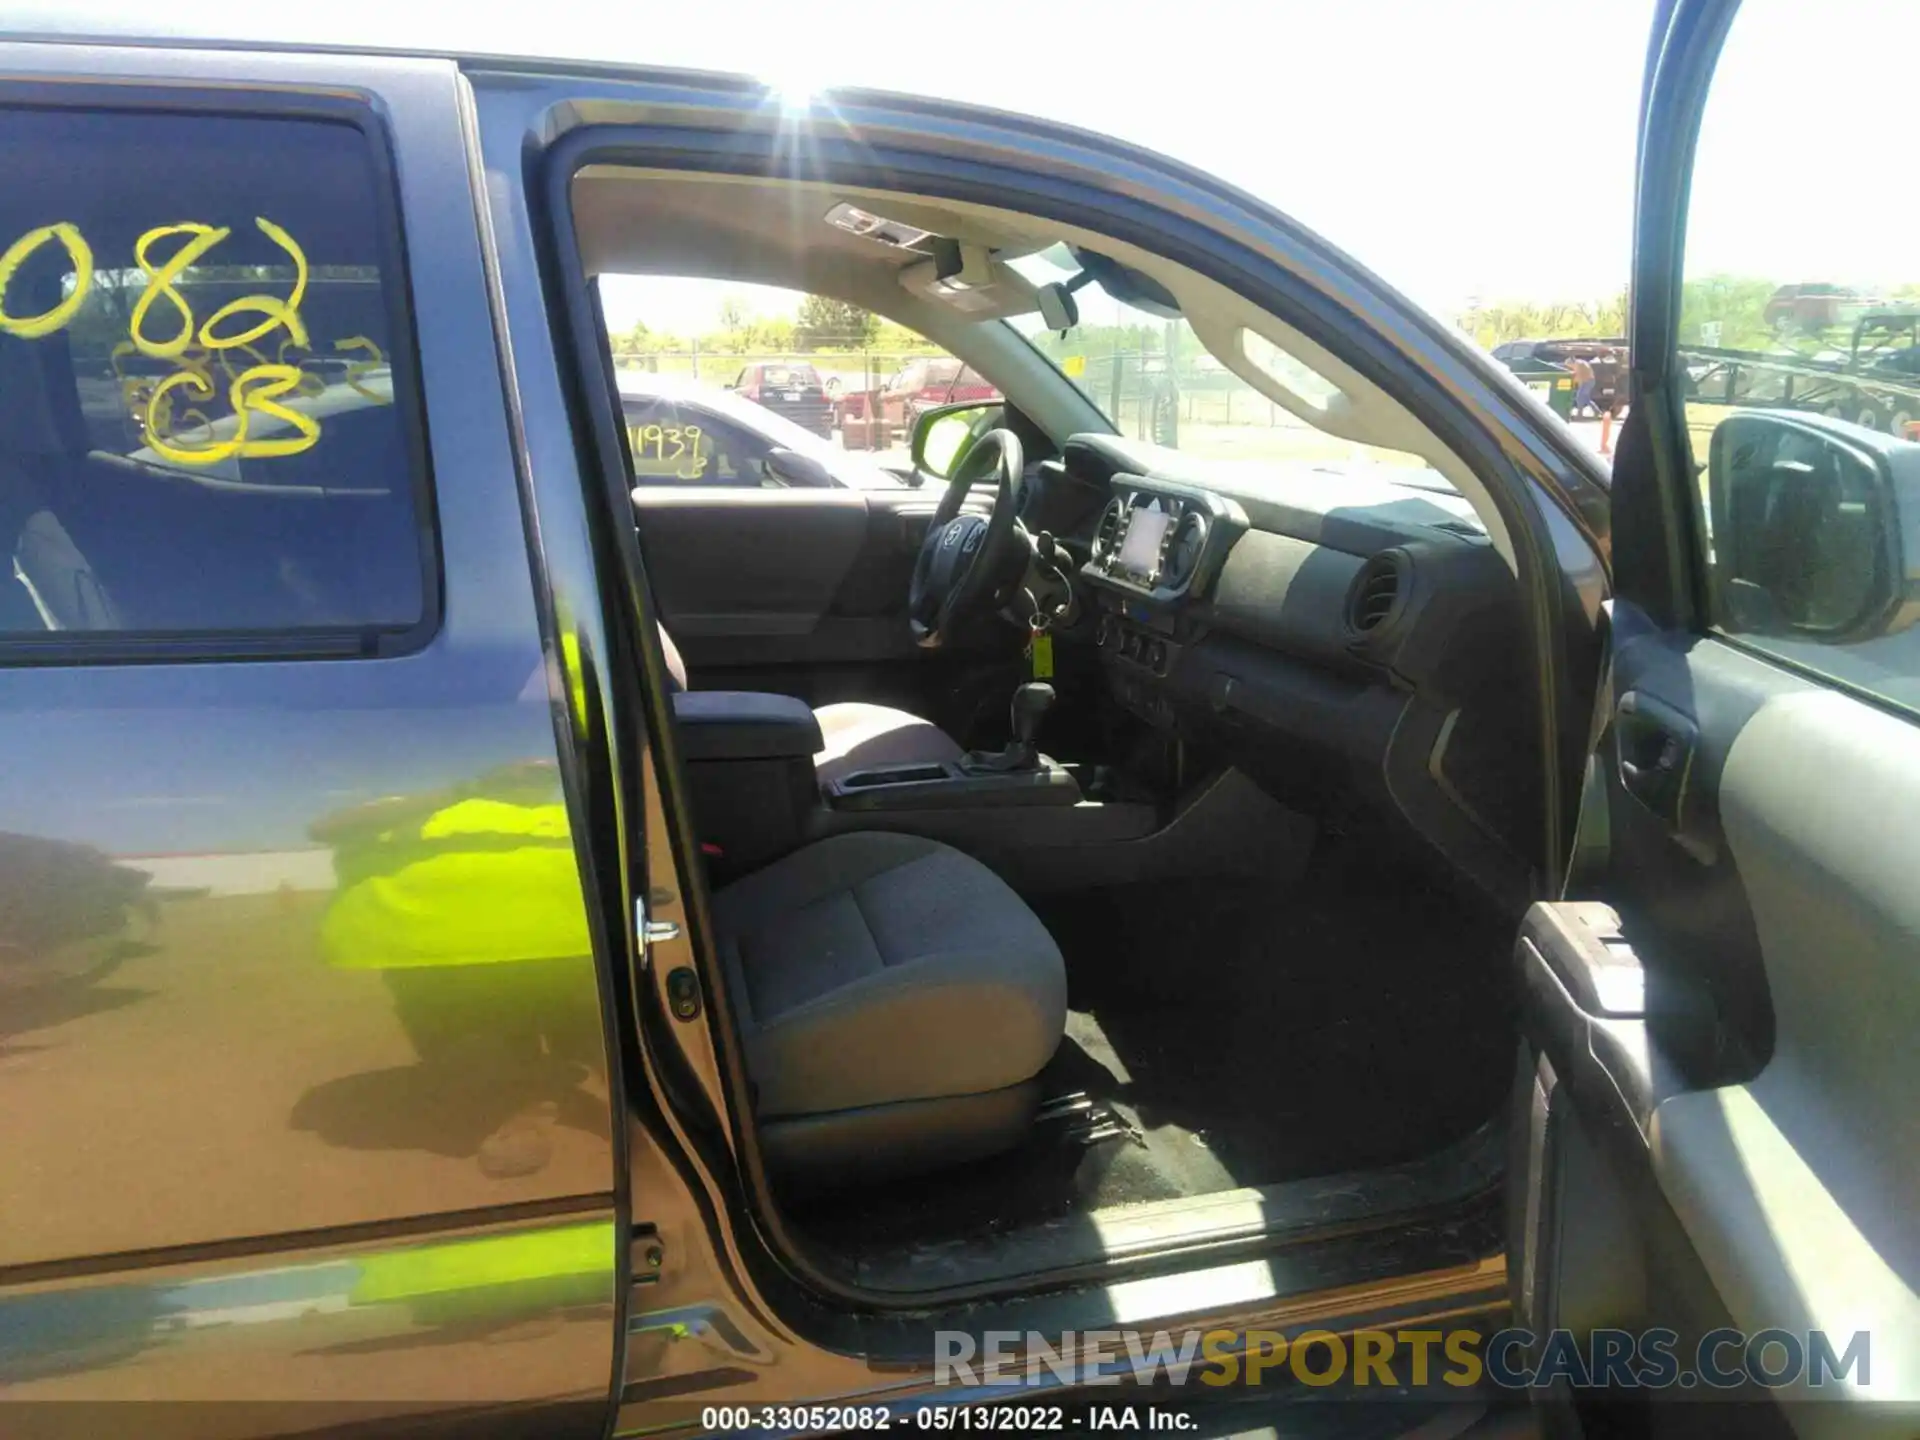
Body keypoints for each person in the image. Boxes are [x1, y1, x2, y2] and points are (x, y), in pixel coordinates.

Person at [1567, 352, 1596, 418]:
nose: (1570, 367)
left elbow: (1579, 376)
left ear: (1571, 363)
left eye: (1569, 365)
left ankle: (1580, 414)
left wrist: (1575, 383)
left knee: (1579, 397)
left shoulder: (1578, 364)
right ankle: (1597, 412)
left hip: (1587, 381)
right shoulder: (1580, 362)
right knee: (1585, 398)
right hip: (1589, 381)